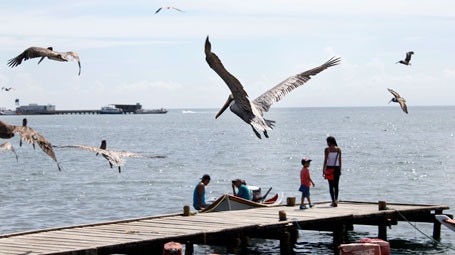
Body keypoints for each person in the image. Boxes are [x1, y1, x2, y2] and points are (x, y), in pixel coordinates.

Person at [323, 136, 342, 207]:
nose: (327, 143)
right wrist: (340, 169)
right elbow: (340, 161)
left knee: (331, 185)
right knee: (336, 185)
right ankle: (336, 200)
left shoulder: (327, 149)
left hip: (329, 168)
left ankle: (333, 201)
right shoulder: (338, 149)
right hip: (337, 168)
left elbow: (325, 160)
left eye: (327, 142)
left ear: (330, 142)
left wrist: (323, 169)